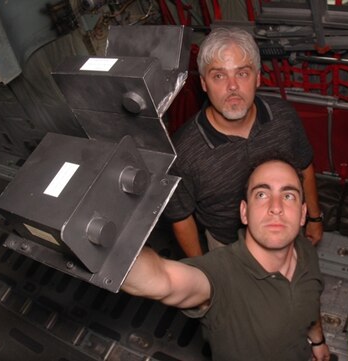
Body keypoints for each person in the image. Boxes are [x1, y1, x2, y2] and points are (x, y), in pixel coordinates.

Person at [122, 157, 330, 361]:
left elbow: (310, 302)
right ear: (244, 212)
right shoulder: (221, 274)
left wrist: (318, 342)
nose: (276, 207)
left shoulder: (305, 249)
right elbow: (162, 279)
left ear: (303, 214)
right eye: (261, 194)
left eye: (288, 196)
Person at [163, 27, 323, 257]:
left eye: (242, 73)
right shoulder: (182, 152)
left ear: (258, 78)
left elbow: (304, 166)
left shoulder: (284, 118)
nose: (232, 86)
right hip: (228, 249)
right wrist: (203, 273)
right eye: (219, 75)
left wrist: (315, 218)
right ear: (204, 84)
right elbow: (181, 217)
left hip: (286, 230)